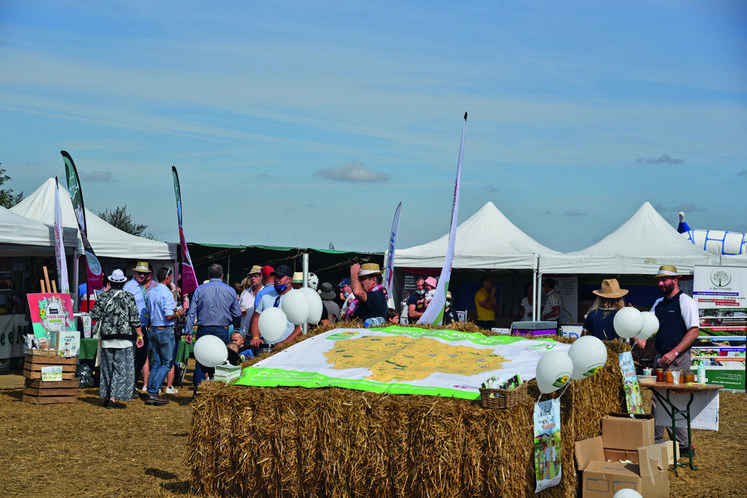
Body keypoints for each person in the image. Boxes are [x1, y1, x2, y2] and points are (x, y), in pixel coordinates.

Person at [636, 265, 699, 456]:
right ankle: (657, 441)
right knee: (658, 401)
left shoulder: (686, 302)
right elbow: (647, 331)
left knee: (675, 401)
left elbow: (694, 331)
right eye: (658, 280)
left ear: (675, 280)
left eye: (664, 280)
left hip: (678, 360)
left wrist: (674, 352)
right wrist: (634, 325)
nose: (661, 283)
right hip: (660, 358)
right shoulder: (659, 303)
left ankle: (682, 445)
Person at [89, 269, 144, 409]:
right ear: (124, 282)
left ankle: (107, 397)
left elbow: (94, 315)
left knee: (107, 369)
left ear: (110, 282)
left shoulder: (103, 296)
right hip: (124, 339)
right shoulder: (129, 296)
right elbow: (134, 319)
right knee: (121, 370)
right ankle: (113, 400)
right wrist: (139, 335)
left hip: (107, 338)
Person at [186, 263, 242, 392]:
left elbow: (191, 312)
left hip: (204, 329)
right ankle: (215, 394)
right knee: (221, 362)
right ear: (222, 275)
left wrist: (188, 331)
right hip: (223, 329)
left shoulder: (200, 289)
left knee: (201, 363)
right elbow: (237, 313)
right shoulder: (230, 290)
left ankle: (198, 394)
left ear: (208, 275)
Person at [144, 267, 184, 406]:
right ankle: (154, 391)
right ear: (167, 278)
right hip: (164, 330)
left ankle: (151, 390)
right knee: (166, 363)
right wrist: (179, 313)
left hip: (154, 328)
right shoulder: (165, 293)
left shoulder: (151, 291)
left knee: (157, 362)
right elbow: (168, 315)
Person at [249, 264, 303, 350]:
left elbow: (302, 325)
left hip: (289, 349)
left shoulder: (297, 298)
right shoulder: (266, 296)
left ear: (289, 279)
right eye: (275, 277)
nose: (277, 280)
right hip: (267, 348)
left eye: (280, 277)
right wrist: (255, 337)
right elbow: (256, 317)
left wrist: (285, 343)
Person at [123, 261, 156, 393]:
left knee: (142, 357)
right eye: (140, 273)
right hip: (133, 327)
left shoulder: (141, 286)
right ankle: (129, 385)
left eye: (144, 274)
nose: (142, 276)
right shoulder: (129, 286)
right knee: (133, 356)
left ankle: (133, 384)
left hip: (142, 326)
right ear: (135, 273)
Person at [239, 266, 263, 336]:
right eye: (251, 276)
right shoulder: (245, 293)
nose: (252, 278)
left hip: (260, 335)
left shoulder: (265, 292)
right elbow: (239, 308)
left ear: (261, 277)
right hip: (245, 333)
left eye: (255, 276)